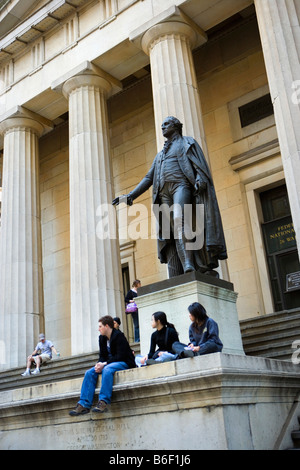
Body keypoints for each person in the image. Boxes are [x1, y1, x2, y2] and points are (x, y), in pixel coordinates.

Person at [113, 116, 227, 278]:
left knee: (179, 219)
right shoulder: (160, 156)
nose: (163, 127)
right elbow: (148, 178)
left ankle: (188, 263)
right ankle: (181, 266)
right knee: (171, 230)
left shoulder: (187, 143)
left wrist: (200, 178)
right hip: (163, 193)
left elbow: (199, 165)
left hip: (181, 186)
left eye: (166, 124)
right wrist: (130, 196)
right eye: (162, 125)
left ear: (176, 126)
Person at [69, 315, 136, 416]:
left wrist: (104, 364)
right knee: (89, 372)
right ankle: (84, 404)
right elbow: (102, 356)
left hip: (124, 362)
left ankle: (103, 402)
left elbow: (120, 356)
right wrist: (99, 364)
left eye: (100, 326)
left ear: (107, 326)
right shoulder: (102, 338)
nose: (98, 329)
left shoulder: (118, 336)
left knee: (107, 370)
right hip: (109, 363)